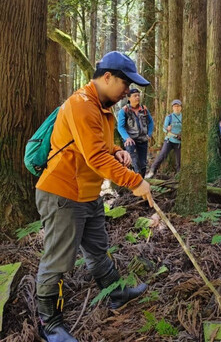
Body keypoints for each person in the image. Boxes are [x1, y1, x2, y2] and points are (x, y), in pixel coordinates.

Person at [35, 51, 154, 342]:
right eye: (125, 83)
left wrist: (117, 150)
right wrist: (134, 181)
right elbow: (94, 156)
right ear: (107, 77)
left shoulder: (103, 109)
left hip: (88, 193)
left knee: (97, 248)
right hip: (62, 193)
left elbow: (98, 145)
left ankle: (114, 293)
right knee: (58, 260)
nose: (127, 91)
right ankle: (49, 323)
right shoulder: (80, 104)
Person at [117, 88, 154, 177]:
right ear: (129, 98)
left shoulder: (144, 109)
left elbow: (151, 122)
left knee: (143, 165)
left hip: (143, 140)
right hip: (130, 141)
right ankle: (137, 185)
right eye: (135, 96)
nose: (137, 97)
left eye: (138, 95)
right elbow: (120, 127)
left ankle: (141, 181)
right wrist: (127, 138)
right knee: (135, 163)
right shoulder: (124, 111)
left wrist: (149, 134)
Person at [145, 100, 183, 179]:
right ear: (172, 107)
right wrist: (167, 128)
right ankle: (152, 171)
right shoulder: (169, 117)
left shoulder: (183, 117)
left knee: (179, 159)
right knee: (162, 155)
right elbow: (164, 129)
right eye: (175, 106)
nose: (177, 108)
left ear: (181, 107)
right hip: (169, 140)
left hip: (179, 141)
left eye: (178, 106)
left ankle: (179, 176)